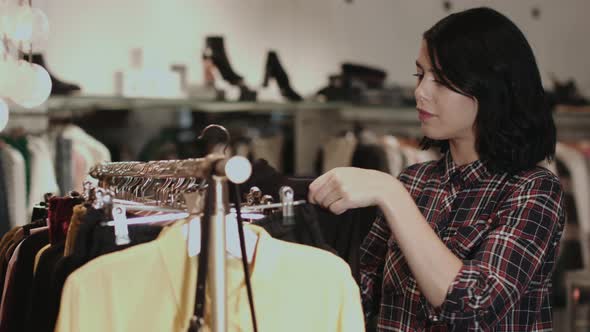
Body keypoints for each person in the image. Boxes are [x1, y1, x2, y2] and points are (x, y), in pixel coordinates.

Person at [309, 7, 565, 331]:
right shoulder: (414, 182)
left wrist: (390, 193)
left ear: (491, 87)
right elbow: (357, 293)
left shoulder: (534, 191)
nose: (420, 92)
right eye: (420, 75)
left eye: (441, 80)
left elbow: (472, 306)